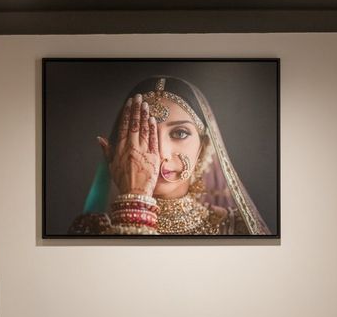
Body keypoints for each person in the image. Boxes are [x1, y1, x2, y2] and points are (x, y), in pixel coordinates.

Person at [69, 76, 270, 235]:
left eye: (179, 133)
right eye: (143, 134)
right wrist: (135, 201)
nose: (160, 154)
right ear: (114, 150)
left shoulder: (235, 228)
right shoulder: (90, 228)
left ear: (205, 147)